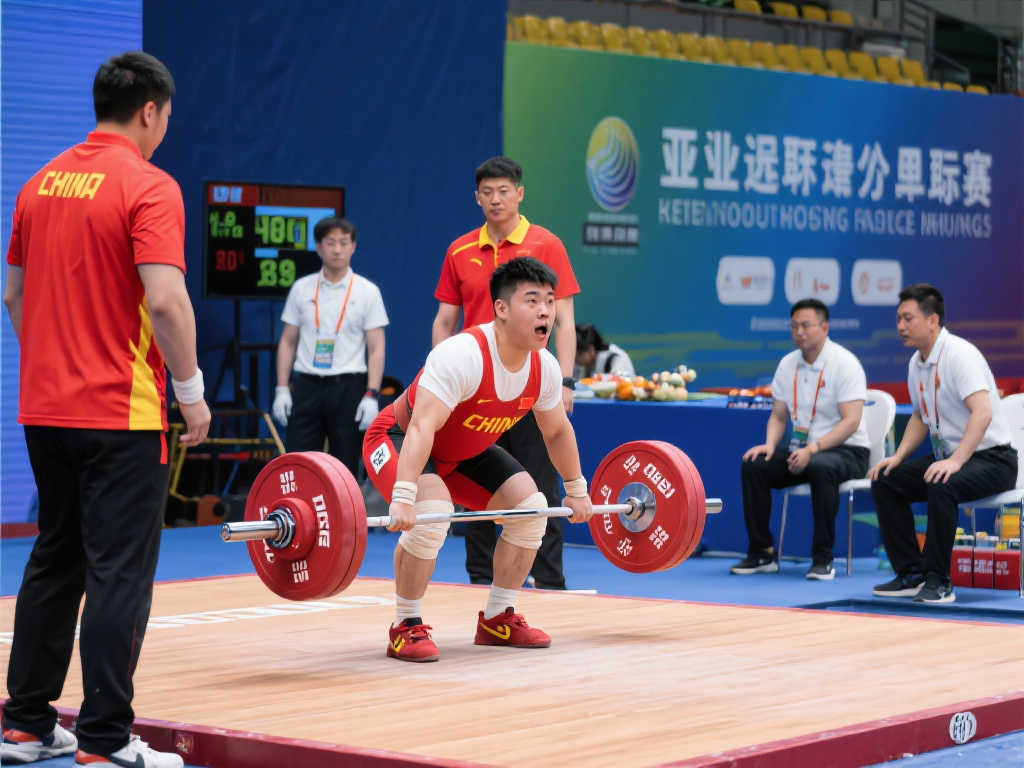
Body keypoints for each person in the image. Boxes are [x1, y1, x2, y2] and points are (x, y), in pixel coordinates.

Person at [1, 52, 210, 768]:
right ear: (150, 111)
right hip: (122, 413)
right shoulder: (149, 185)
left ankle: (26, 725)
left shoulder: (38, 185)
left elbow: (12, 296)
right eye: (165, 119)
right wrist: (190, 391)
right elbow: (165, 299)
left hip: (45, 409)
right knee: (119, 571)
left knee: (55, 559)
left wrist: (55, 366)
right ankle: (106, 741)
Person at [363, 257, 593, 661]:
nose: (545, 311)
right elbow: (421, 428)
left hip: (463, 453)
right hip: (399, 438)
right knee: (433, 512)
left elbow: (557, 431)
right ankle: (405, 624)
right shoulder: (462, 355)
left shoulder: (545, 367)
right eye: (532, 300)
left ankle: (497, 619)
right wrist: (402, 496)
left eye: (550, 302)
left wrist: (576, 490)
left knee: (532, 511)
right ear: (501, 309)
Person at [432, 156, 580, 590]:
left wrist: (567, 381)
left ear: (520, 194)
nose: (496, 200)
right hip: (473, 388)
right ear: (477, 198)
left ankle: (550, 580)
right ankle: (481, 579)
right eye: (487, 193)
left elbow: (566, 320)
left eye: (504, 191)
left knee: (541, 484)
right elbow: (445, 321)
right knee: (474, 485)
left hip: (528, 386)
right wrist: (441, 380)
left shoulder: (546, 244)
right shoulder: (459, 250)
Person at [870, 284, 1017, 604]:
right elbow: (921, 418)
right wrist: (898, 457)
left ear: (933, 320)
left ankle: (939, 581)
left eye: (908, 319)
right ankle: (911, 574)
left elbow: (983, 412)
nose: (900, 326)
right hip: (953, 457)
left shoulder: (960, 355)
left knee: (943, 482)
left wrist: (956, 461)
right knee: (885, 480)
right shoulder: (916, 364)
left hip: (994, 460)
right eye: (898, 319)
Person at [731, 298, 870, 580]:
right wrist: (770, 445)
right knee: (755, 464)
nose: (799, 332)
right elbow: (779, 416)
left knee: (821, 466)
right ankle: (762, 552)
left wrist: (814, 448)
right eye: (794, 326)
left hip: (848, 451)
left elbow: (851, 421)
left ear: (825, 327)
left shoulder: (844, 363)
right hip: (802, 450)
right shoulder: (787, 364)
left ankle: (823, 559)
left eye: (806, 325)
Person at [272, 216, 388, 479]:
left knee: (345, 467)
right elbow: (288, 341)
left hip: (349, 388)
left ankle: (343, 520)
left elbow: (376, 348)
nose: (337, 249)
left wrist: (372, 395)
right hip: (307, 387)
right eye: (331, 242)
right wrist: (281, 388)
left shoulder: (367, 291)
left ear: (353, 247)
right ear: (318, 247)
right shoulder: (301, 289)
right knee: (298, 464)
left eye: (344, 243)